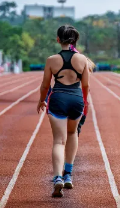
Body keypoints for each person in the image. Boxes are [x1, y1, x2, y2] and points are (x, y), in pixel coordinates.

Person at [37, 25, 92, 197]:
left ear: (58, 39)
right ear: (74, 40)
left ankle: (57, 178)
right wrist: (83, 102)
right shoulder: (83, 59)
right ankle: (68, 174)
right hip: (76, 100)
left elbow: (45, 85)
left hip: (58, 100)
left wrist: (41, 100)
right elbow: (86, 85)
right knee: (72, 133)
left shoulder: (51, 60)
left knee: (59, 141)